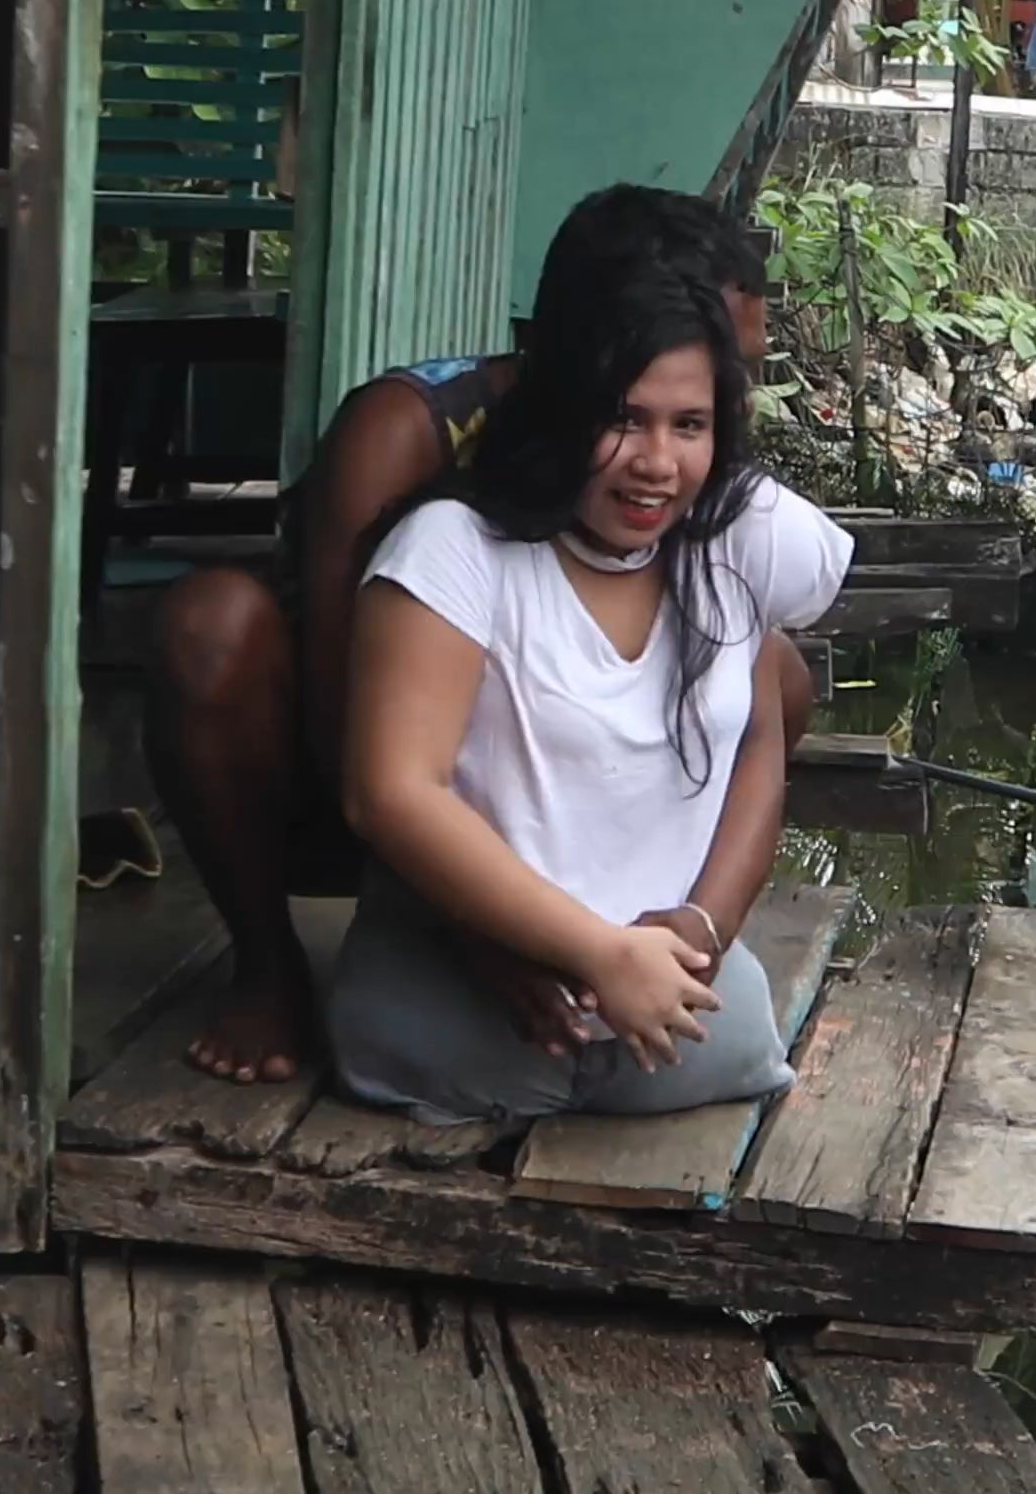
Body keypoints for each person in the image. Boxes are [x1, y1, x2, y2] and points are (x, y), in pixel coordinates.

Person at [149, 187, 820, 1083]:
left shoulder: (674, 480)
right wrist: (480, 933)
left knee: (778, 669)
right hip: (338, 770)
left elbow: (751, 704)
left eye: (704, 404)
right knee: (210, 629)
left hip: (521, 808)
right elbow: (359, 740)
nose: (705, 427)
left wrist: (687, 924)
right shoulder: (413, 433)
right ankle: (270, 968)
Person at [329, 249, 850, 1121]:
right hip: (475, 1006)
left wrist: (702, 931)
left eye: (690, 424)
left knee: (726, 1035)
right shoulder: (454, 550)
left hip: (685, 1021)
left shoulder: (724, 547)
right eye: (622, 418)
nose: (656, 462)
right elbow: (389, 793)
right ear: (558, 410)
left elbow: (760, 742)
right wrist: (597, 954)